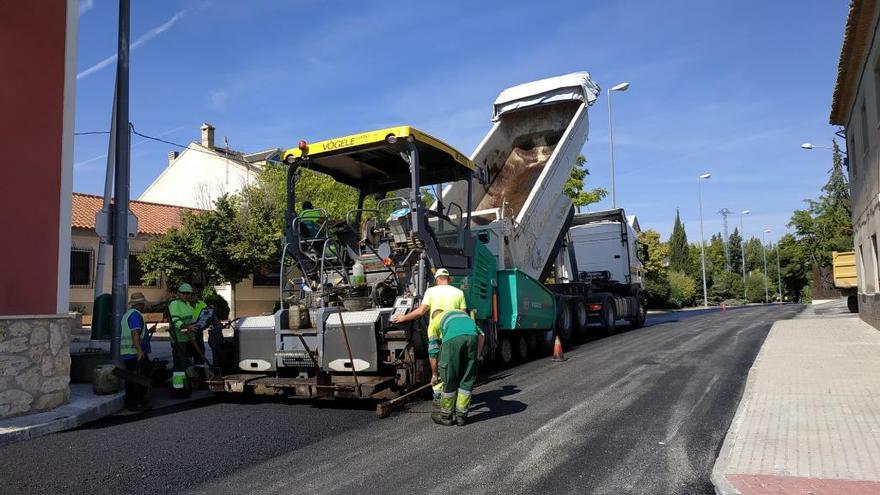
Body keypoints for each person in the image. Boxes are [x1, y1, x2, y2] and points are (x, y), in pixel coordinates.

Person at [390, 268, 467, 411]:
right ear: (448, 279)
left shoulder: (431, 291)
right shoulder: (459, 293)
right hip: (453, 333)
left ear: (437, 280)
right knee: (453, 364)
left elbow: (420, 311)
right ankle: (453, 395)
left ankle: (436, 386)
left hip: (435, 332)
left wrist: (403, 317)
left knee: (435, 358)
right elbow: (463, 316)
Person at [428, 309, 485, 426]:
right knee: (467, 379)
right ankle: (461, 417)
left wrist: (434, 374)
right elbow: (482, 335)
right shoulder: (461, 315)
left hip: (453, 340)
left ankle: (446, 417)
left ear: (434, 317)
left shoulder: (434, 323)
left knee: (449, 377)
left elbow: (433, 352)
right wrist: (477, 356)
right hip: (472, 337)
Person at [120, 292, 151, 411]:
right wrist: (139, 351)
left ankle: (134, 403)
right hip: (135, 353)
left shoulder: (127, 314)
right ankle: (135, 403)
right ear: (141, 304)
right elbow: (134, 333)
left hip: (129, 353)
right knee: (139, 380)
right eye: (143, 303)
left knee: (132, 379)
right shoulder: (135, 315)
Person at [167, 283, 204, 373]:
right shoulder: (175, 304)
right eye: (184, 293)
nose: (186, 295)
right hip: (179, 340)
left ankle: (188, 382)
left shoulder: (186, 304)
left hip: (189, 339)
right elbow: (175, 320)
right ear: (178, 293)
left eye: (188, 293)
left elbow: (190, 319)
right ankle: (179, 385)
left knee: (188, 365)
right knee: (181, 365)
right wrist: (187, 327)